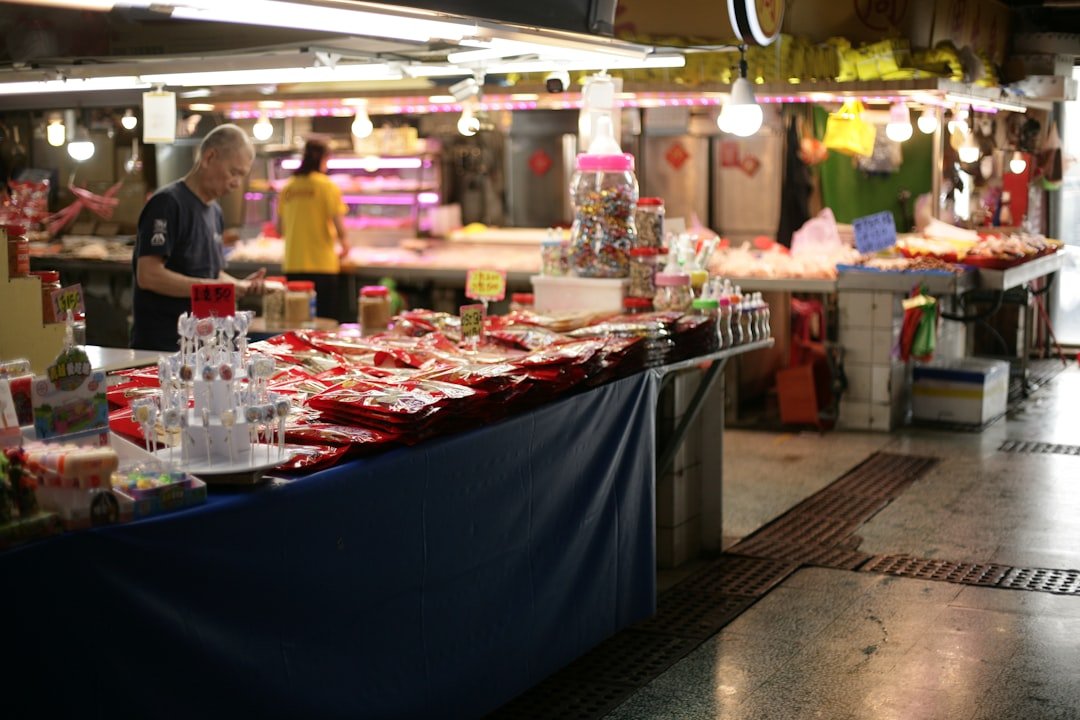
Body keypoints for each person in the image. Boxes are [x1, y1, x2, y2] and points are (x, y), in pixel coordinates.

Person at [131, 124, 266, 351]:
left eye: (242, 176)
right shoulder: (167, 203)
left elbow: (210, 274)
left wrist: (239, 285)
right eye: (234, 172)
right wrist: (213, 288)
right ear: (209, 157)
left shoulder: (215, 211)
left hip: (206, 348)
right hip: (165, 348)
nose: (236, 183)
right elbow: (149, 275)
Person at [276, 138, 348, 321]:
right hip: (323, 265)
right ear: (323, 158)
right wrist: (346, 246)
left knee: (296, 321)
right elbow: (340, 227)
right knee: (325, 322)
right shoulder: (327, 186)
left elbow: (279, 228)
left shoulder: (288, 187)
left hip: (293, 263)